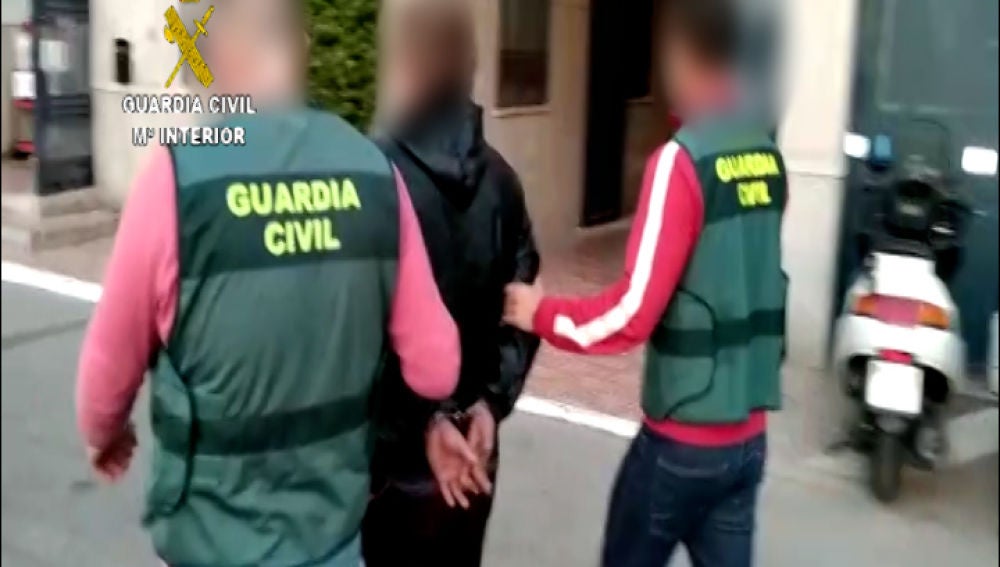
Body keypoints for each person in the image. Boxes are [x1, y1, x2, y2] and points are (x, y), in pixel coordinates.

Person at [74, 1, 460, 565]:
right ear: (300, 48)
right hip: (331, 537)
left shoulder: (177, 177)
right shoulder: (375, 173)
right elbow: (436, 368)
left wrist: (106, 435)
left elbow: (104, 381)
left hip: (208, 543)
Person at [504, 0, 788, 565]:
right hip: (747, 442)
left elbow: (631, 313)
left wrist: (540, 314)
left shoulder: (680, 164)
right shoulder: (765, 154)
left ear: (686, 57)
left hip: (681, 445)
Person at [361, 1, 541, 565]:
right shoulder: (504, 183)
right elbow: (522, 310)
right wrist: (489, 403)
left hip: (392, 464)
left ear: (404, 61)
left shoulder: (368, 175)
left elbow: (356, 335)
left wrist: (423, 421)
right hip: (476, 453)